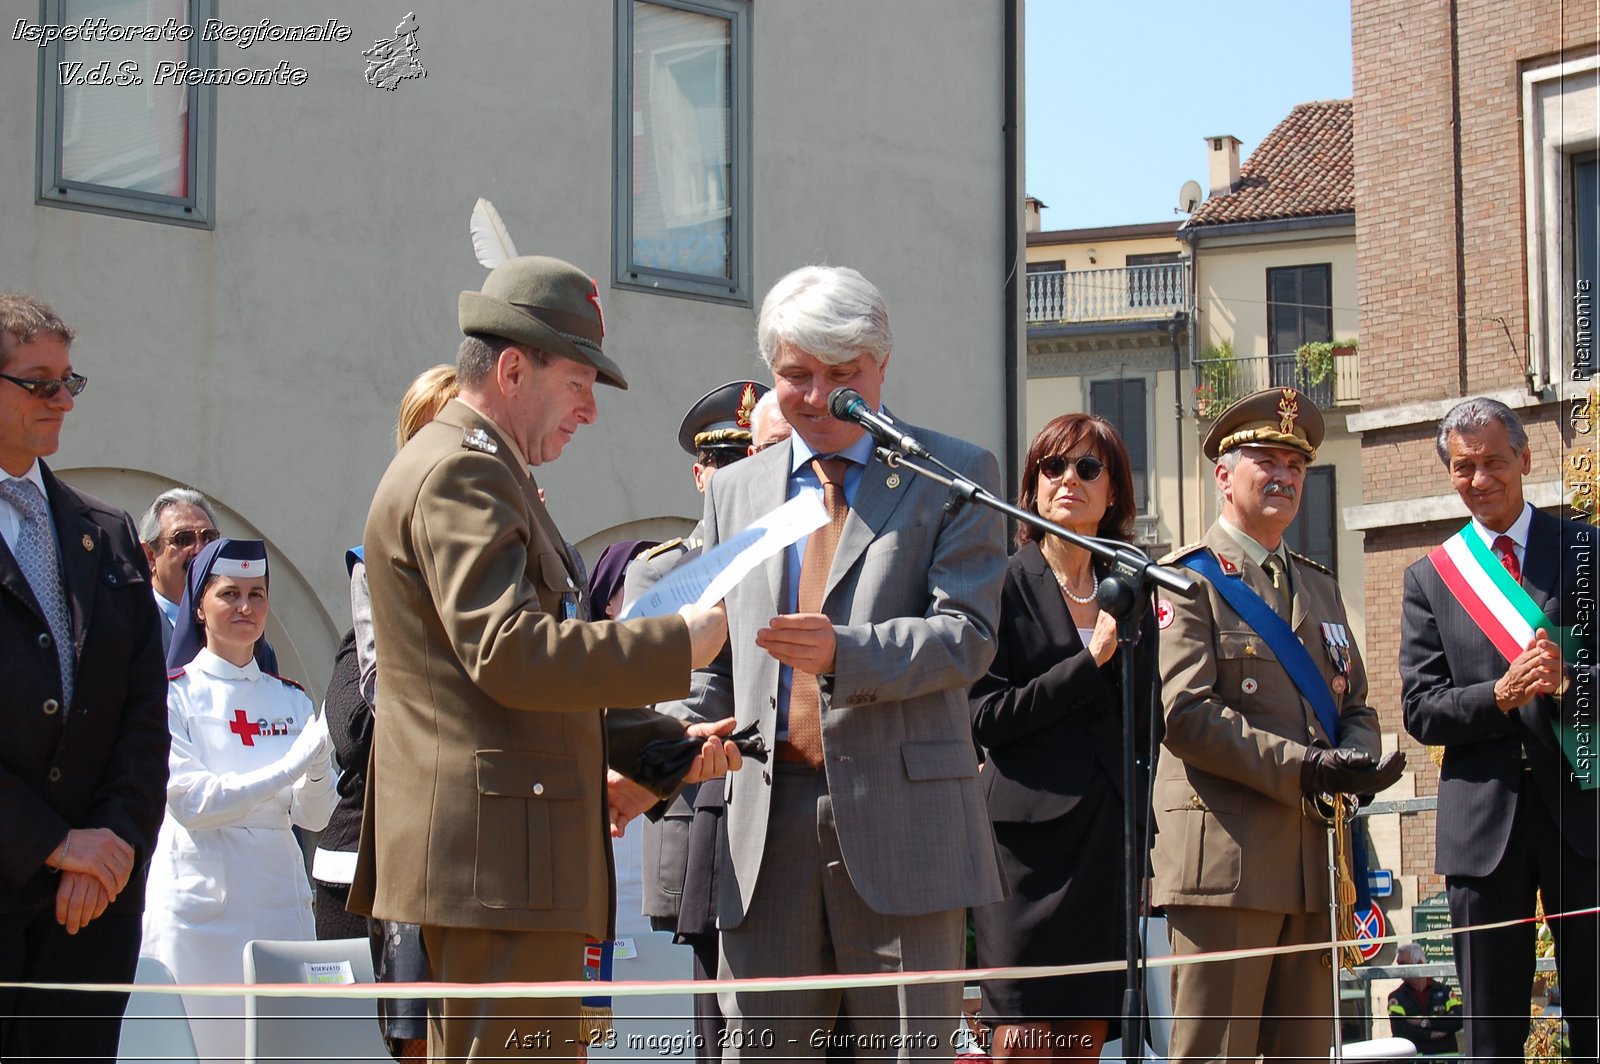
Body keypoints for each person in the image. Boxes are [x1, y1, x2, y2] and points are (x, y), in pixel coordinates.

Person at [350, 254, 739, 1062]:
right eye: (578, 383)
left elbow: (524, 687)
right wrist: (682, 641)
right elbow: (511, 653)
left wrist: (666, 749)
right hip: (499, 869)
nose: (589, 411)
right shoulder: (463, 470)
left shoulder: (489, 472)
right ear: (514, 368)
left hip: (509, 862)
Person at [661, 264, 1008, 1057]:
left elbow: (969, 636)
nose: (816, 397)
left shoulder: (949, 478)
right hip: (764, 828)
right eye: (795, 376)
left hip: (903, 828)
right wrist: (676, 740)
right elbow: (709, 654)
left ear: (881, 366)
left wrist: (845, 654)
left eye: (841, 376)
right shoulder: (736, 492)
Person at [1151, 387, 1405, 1062]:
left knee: (1304, 1055)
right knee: (1216, 1053)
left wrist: (1357, 758)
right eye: (1266, 458)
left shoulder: (1318, 587)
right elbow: (1186, 714)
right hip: (1227, 865)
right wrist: (1308, 768)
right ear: (1223, 475)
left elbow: (1356, 704)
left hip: (1314, 865)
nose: (1285, 475)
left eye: (1296, 464)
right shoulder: (1186, 581)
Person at [1400, 396, 1598, 1062]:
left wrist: (1572, 683)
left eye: (1492, 463)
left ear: (1525, 460)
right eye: (1463, 467)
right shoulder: (1431, 578)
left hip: (1585, 820)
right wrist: (1500, 695)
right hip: (1483, 830)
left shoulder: (1586, 551)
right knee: (1491, 1038)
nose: (1479, 480)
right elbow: (1422, 709)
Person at [0, 293, 169, 1063]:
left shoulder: (108, 535)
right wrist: (48, 842)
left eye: (69, 380)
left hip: (92, 910)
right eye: (39, 382)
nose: (62, 400)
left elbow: (144, 716)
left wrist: (113, 847)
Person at [970, 414, 1158, 1060]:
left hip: (1106, 843)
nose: (1068, 480)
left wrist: (1142, 835)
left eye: (1087, 468)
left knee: (1084, 1038)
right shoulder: (1002, 581)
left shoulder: (1131, 587)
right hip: (1023, 850)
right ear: (1033, 486)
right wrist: (1089, 662)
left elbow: (1145, 728)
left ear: (1114, 494)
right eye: (1053, 467)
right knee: (1021, 1038)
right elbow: (985, 717)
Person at [141, 537, 336, 1064]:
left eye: (257, 593)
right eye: (230, 594)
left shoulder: (290, 698)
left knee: (283, 1051)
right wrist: (292, 765)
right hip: (201, 913)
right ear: (200, 605)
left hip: (277, 903)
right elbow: (194, 803)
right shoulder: (171, 694)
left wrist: (319, 768)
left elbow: (314, 815)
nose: (245, 607)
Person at [137, 487, 220, 652]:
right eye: (183, 539)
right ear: (150, 556)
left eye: (208, 538)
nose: (199, 549)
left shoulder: (244, 640)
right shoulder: (132, 629)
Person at [1386, 942, 1462, 1060]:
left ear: (1420, 964)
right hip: (1415, 1059)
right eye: (1398, 964)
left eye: (1403, 964)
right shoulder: (1396, 997)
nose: (1399, 969)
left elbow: (1459, 1020)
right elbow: (1400, 1030)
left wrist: (1425, 1022)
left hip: (1446, 1057)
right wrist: (1430, 1034)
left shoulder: (1444, 991)